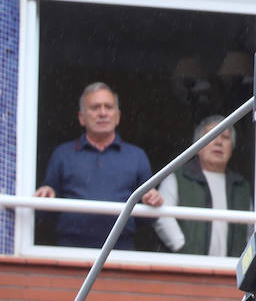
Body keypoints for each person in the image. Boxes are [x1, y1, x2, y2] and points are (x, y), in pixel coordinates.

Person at [34, 82, 163, 250]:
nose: (103, 113)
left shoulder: (137, 156)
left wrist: (152, 200)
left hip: (120, 251)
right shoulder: (63, 154)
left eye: (108, 107)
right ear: (82, 117)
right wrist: (46, 194)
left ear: (117, 116)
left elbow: (147, 219)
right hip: (71, 250)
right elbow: (45, 212)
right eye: (95, 107)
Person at [154, 115, 253, 256]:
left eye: (225, 137)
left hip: (230, 271)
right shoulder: (178, 178)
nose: (218, 142)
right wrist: (182, 248)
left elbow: (251, 231)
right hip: (188, 268)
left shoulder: (241, 187)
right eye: (212, 136)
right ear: (198, 145)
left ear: (232, 147)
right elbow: (162, 216)